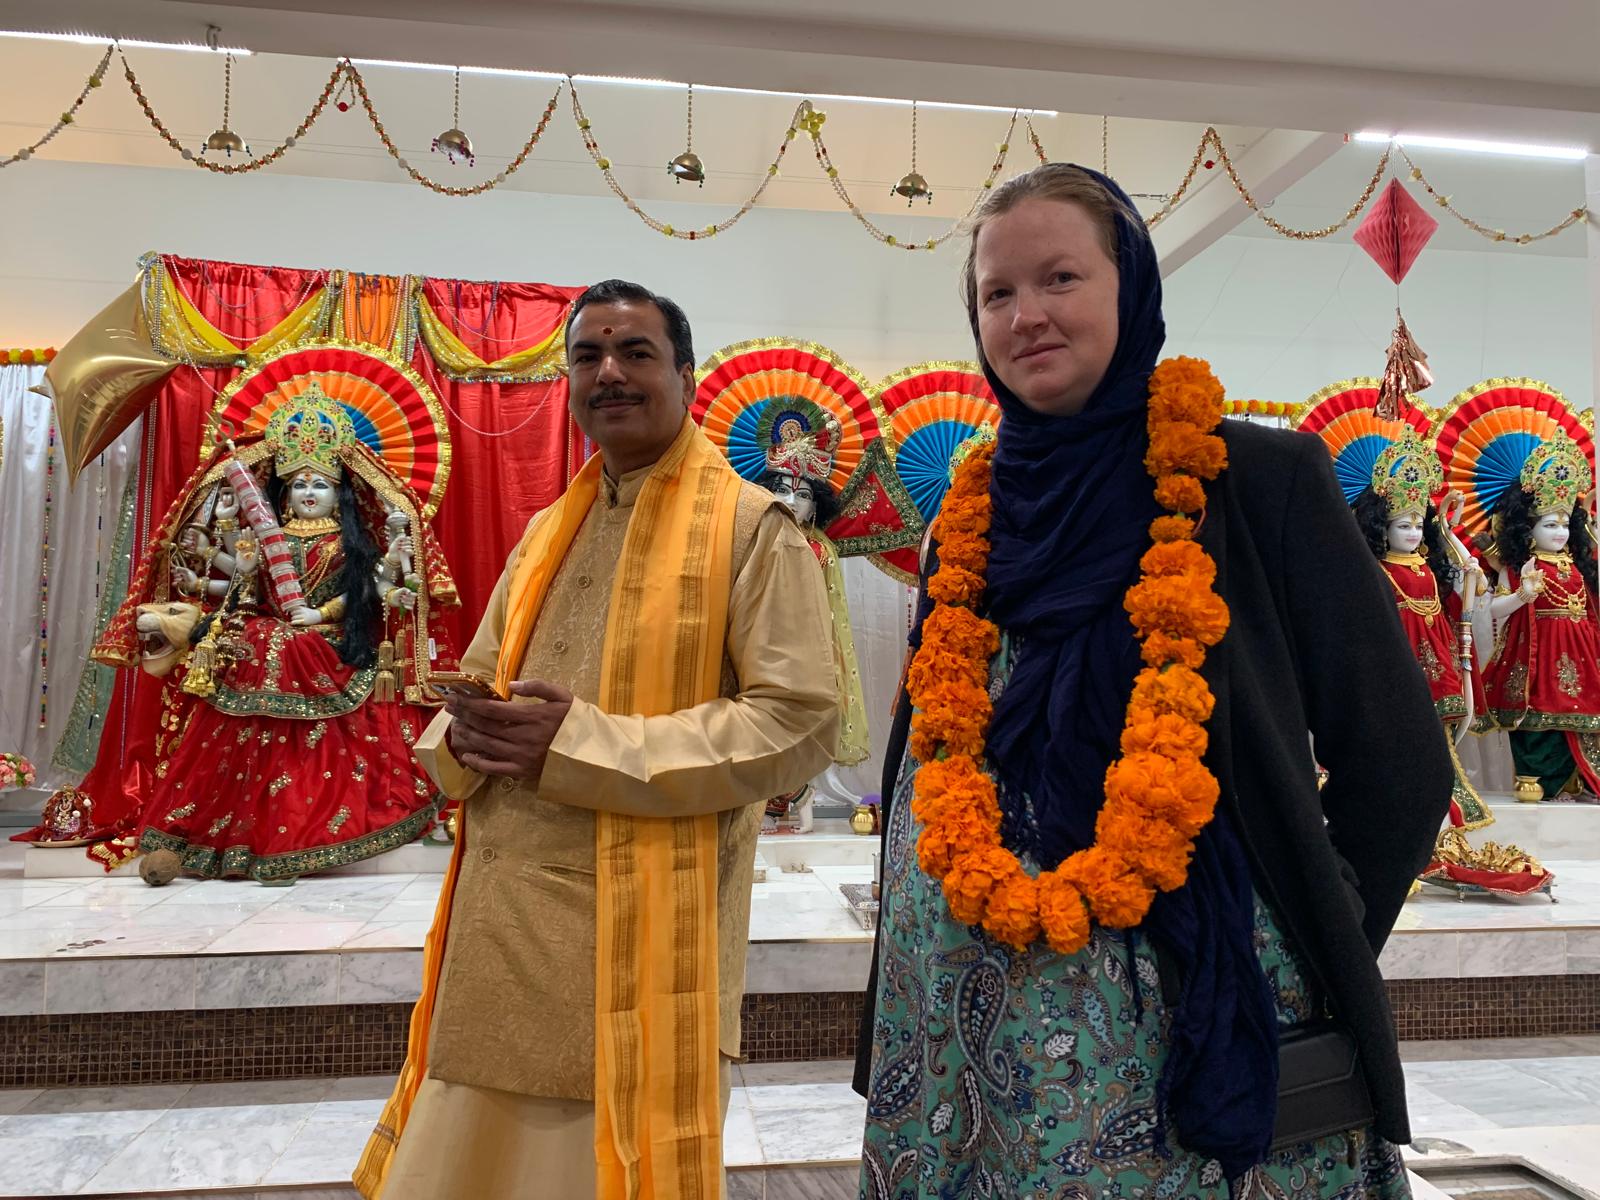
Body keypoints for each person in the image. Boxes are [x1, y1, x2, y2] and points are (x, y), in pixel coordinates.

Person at [854, 164, 1451, 1197]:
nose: (1026, 315)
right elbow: (932, 739)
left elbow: (1397, 762)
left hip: (1189, 1015)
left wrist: (1317, 935)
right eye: (996, 294)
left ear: (1131, 288)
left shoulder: (1258, 482)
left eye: (1059, 279)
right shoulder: (971, 512)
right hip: (958, 1028)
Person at [356, 279, 840, 1200]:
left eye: (636, 353)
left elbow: (798, 721)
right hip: (501, 916)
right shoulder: (547, 531)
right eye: (588, 357)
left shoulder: (752, 530)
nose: (608, 373)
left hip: (638, 925)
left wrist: (576, 746)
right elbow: (482, 679)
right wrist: (464, 733)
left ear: (687, 377)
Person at [88, 389, 458, 881]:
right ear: (283, 491)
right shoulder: (269, 539)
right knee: (260, 649)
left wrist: (318, 611)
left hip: (325, 642)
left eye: (321, 485)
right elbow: (244, 583)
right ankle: (236, 836)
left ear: (339, 492)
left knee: (289, 653)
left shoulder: (349, 543)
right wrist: (205, 575)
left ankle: (294, 833)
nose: (309, 492)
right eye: (300, 483)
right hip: (266, 636)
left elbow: (362, 592)